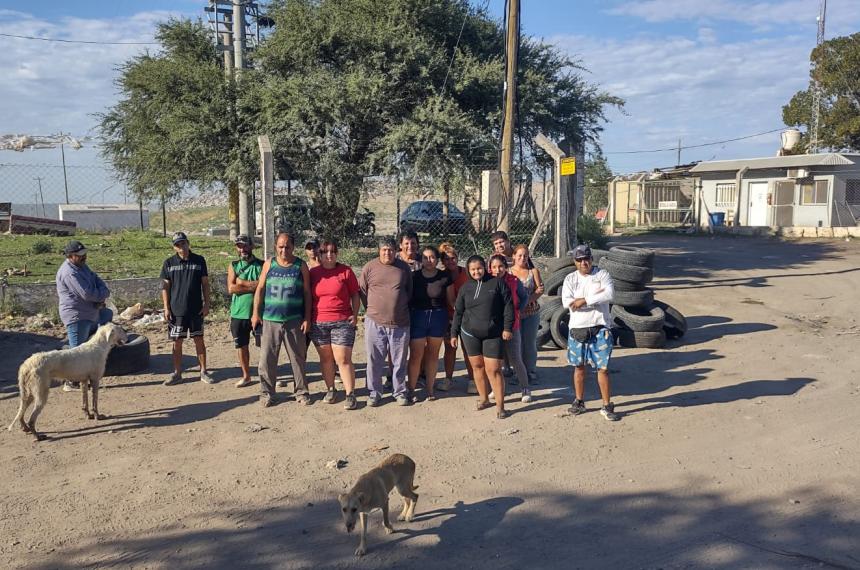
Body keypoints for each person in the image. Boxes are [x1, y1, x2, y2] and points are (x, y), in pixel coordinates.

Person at [251, 232, 312, 407]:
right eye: (280, 247)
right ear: (275, 247)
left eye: (287, 247)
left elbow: (307, 293)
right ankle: (267, 393)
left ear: (293, 247)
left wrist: (307, 317)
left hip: (294, 320)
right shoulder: (269, 264)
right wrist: (256, 314)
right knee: (267, 359)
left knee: (298, 358)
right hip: (270, 319)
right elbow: (260, 289)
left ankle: (301, 392)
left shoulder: (300, 265)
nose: (284, 250)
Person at [450, 255, 514, 419]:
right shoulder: (465, 288)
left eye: (479, 268)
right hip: (470, 333)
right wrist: (454, 333)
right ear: (468, 270)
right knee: (477, 367)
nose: (476, 272)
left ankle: (500, 406)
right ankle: (484, 399)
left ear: (485, 267)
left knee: (494, 369)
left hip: (493, 333)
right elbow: (458, 312)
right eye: (472, 269)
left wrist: (507, 328)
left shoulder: (497, 283)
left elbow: (508, 306)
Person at [561, 244, 619, 421]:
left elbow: (609, 294)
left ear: (592, 259)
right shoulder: (570, 279)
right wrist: (595, 298)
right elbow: (567, 303)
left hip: (600, 328)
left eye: (586, 259)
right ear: (574, 261)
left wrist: (584, 300)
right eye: (579, 260)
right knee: (579, 367)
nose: (583, 263)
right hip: (577, 328)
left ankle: (607, 405)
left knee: (603, 369)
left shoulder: (602, 275)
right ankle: (579, 401)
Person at [359, 237, 412, 406]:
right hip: (375, 322)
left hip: (400, 323)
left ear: (396, 251)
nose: (387, 253)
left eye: (390, 250)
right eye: (384, 250)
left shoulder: (403, 268)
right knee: (374, 359)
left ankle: (399, 391)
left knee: (399, 360)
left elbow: (409, 291)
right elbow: (362, 291)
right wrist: (373, 309)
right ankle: (374, 392)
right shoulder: (369, 267)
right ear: (379, 251)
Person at [310, 238, 360, 410]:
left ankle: (350, 394)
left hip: (342, 321)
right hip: (319, 322)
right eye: (325, 252)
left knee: (343, 359)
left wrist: (355, 315)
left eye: (332, 251)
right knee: (326, 358)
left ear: (337, 253)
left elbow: (355, 294)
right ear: (320, 254)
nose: (329, 255)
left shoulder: (345, 271)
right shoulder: (313, 273)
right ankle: (331, 389)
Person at [56, 240, 112, 392]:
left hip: (89, 313)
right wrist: (102, 295)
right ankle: (71, 382)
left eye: (84, 254)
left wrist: (102, 293)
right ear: (70, 256)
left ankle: (82, 375)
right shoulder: (69, 273)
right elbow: (87, 294)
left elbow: (96, 279)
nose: (84, 257)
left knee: (107, 314)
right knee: (76, 352)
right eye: (80, 255)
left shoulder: (81, 266)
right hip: (77, 316)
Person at [161, 232, 212, 386]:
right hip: (176, 311)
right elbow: (165, 287)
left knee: (199, 340)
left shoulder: (199, 260)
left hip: (196, 310)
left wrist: (207, 304)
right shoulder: (169, 263)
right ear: (174, 247)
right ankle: (177, 373)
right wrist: (166, 308)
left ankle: (203, 372)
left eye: (183, 243)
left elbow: (205, 284)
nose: (181, 247)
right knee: (177, 342)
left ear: (188, 243)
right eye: (178, 245)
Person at [407, 245, 451, 402]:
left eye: (432, 257)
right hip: (418, 317)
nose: (429, 260)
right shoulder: (414, 277)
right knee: (416, 355)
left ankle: (430, 389)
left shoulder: (445, 277)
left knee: (433, 355)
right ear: (421, 260)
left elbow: (451, 300)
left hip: (438, 317)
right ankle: (411, 389)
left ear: (437, 259)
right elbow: (407, 299)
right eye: (425, 257)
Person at [488, 254, 532, 403]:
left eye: (500, 266)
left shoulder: (514, 281)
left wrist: (518, 310)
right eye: (494, 267)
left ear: (506, 267)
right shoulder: (487, 281)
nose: (497, 270)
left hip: (512, 325)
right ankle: (497, 388)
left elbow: (524, 297)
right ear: (490, 268)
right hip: (493, 327)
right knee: (495, 360)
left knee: (515, 358)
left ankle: (525, 388)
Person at [227, 234, 263, 388]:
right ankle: (246, 376)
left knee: (265, 346)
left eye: (245, 245)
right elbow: (231, 288)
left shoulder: (261, 265)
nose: (242, 249)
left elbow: (264, 286)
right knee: (241, 345)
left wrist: (242, 283)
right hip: (238, 312)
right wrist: (253, 285)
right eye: (239, 246)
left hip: (259, 313)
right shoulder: (234, 265)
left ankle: (267, 375)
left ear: (252, 246)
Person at [439, 242, 472, 392]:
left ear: (458, 258)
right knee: (450, 348)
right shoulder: (441, 276)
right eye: (446, 259)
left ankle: (473, 380)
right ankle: (448, 379)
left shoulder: (467, 273)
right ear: (442, 261)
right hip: (448, 317)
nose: (450, 261)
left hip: (467, 317)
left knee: (468, 349)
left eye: (453, 258)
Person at [510, 244, 544, 386]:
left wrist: (527, 301)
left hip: (531, 312)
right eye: (519, 255)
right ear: (514, 256)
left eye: (525, 255)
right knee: (516, 344)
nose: (522, 258)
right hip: (514, 314)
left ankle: (530, 371)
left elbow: (540, 289)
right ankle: (517, 372)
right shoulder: (509, 272)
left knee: (529, 343)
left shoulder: (533, 271)